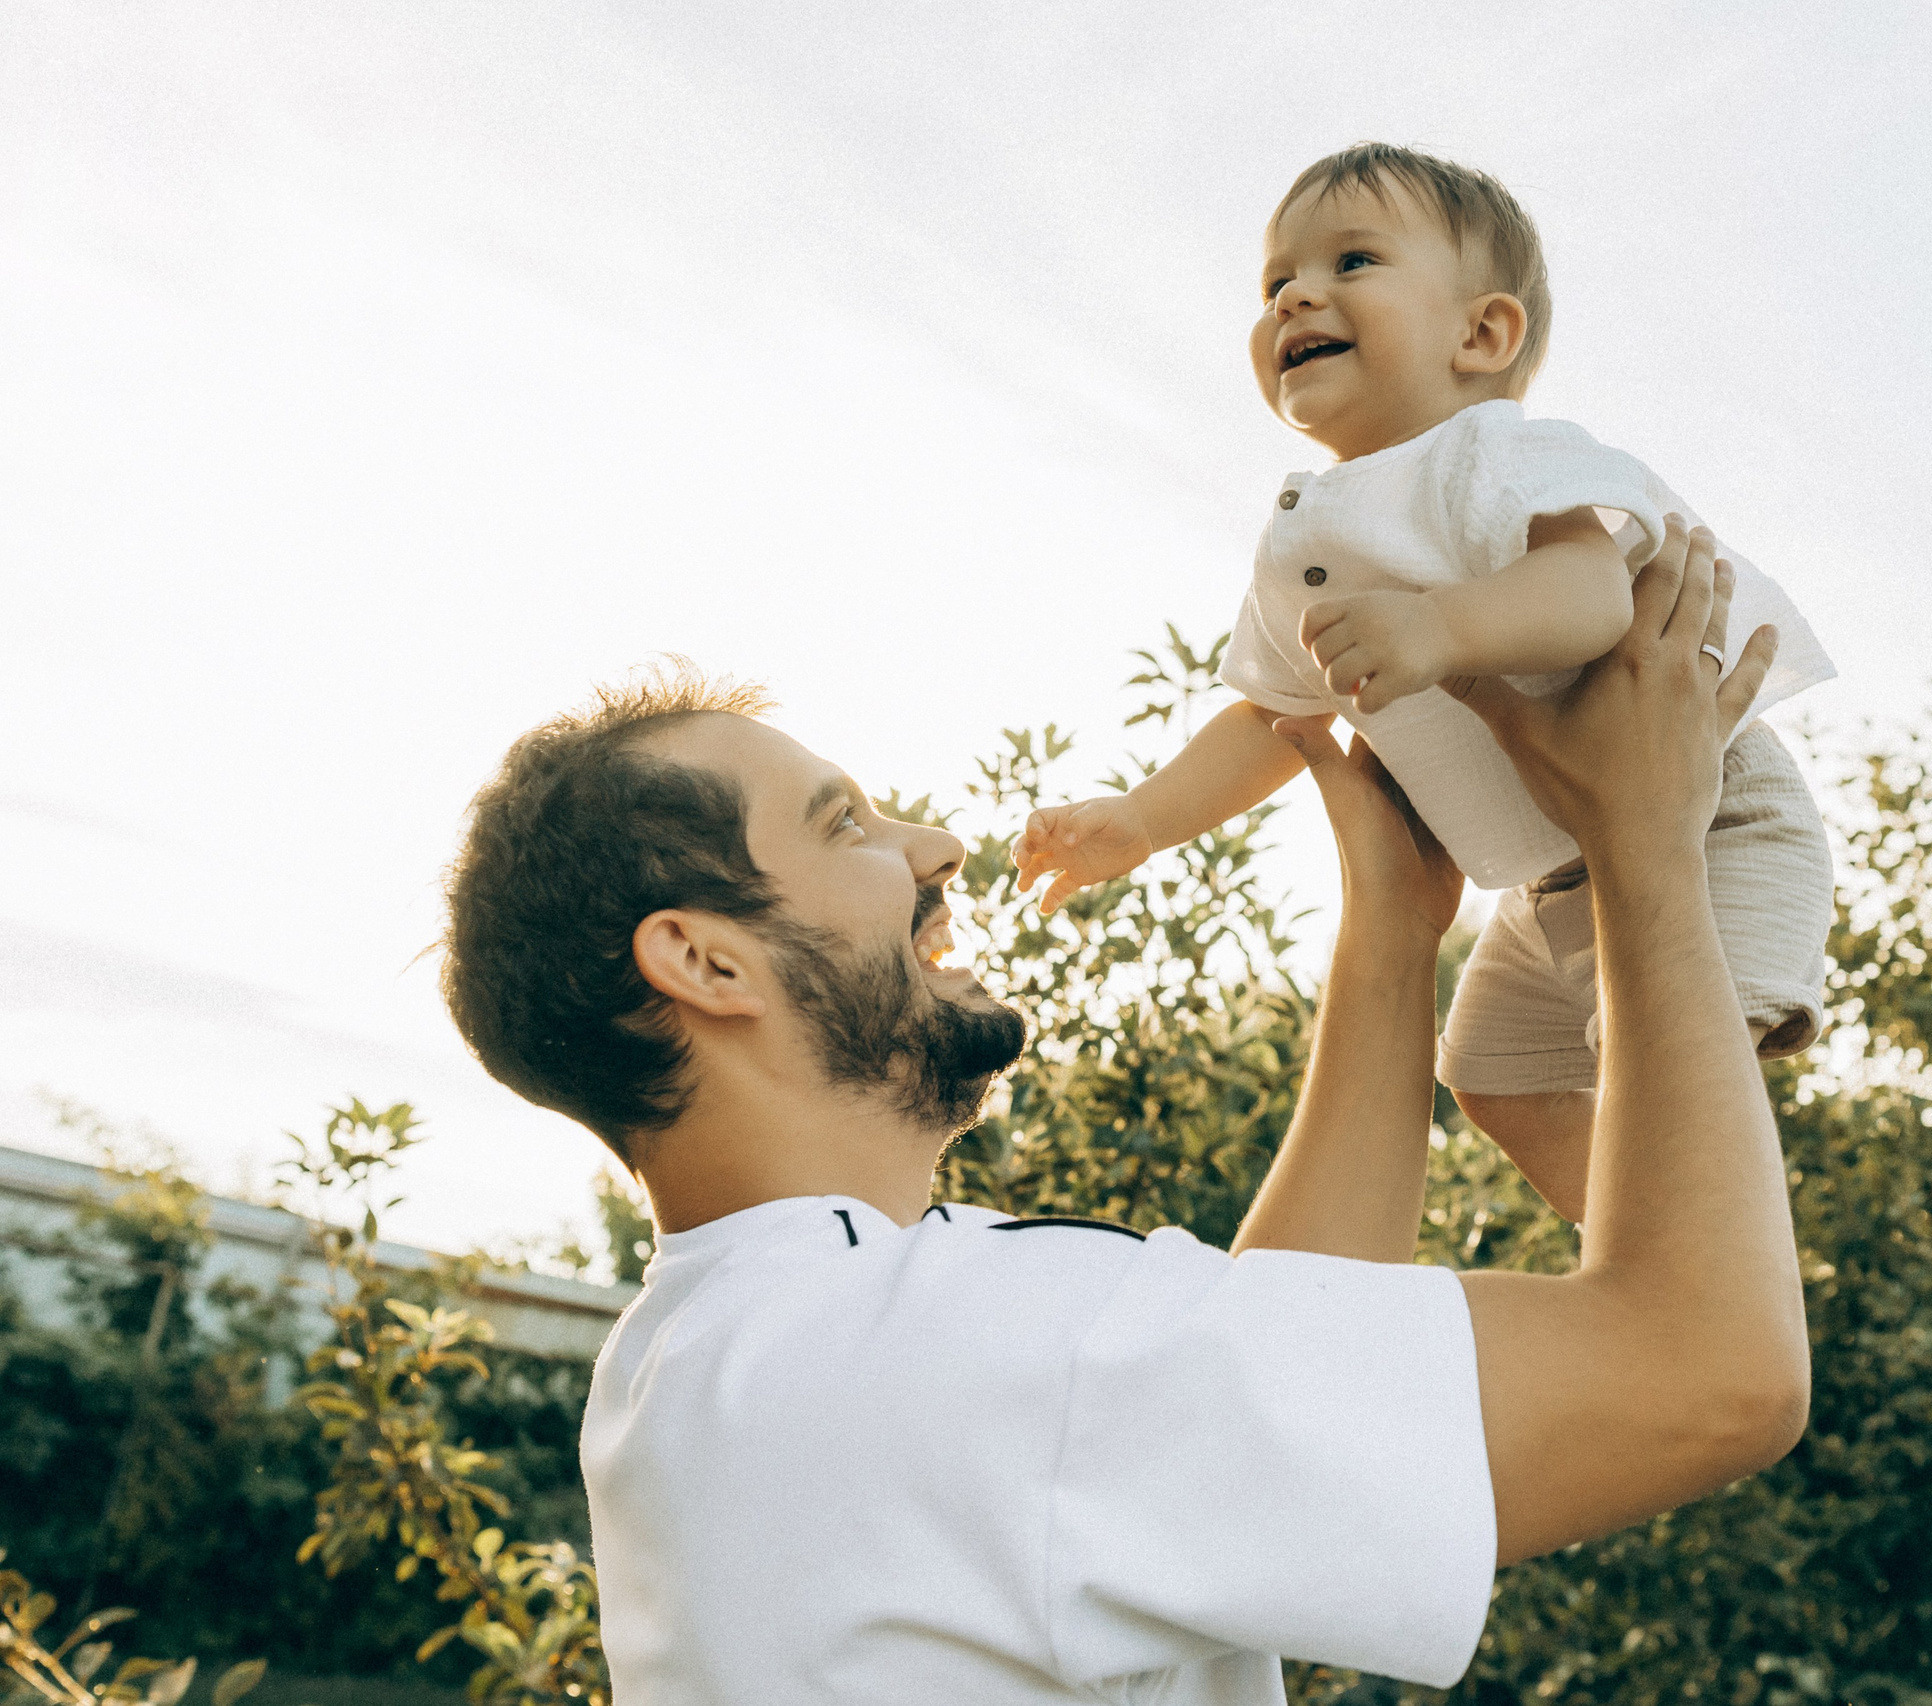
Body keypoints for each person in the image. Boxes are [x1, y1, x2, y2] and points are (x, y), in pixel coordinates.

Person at [436, 528, 1809, 1703]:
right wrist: (1645, 844)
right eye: (844, 823)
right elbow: (1705, 1366)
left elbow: (1256, 1353)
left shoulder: (689, 1360)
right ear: (706, 962)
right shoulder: (975, 1346)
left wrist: (1391, 943)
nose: (934, 847)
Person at [1012, 142, 1837, 1221]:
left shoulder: (1498, 455)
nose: (1297, 292)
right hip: (1548, 877)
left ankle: (1702, 1238)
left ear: (1482, 333)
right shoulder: (1304, 537)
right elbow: (1278, 712)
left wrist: (1440, 625)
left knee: (1661, 1066)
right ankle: (1659, 1243)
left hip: (1710, 820)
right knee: (1494, 1078)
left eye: (1353, 261)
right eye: (1275, 281)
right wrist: (1143, 820)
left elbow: (1592, 594)